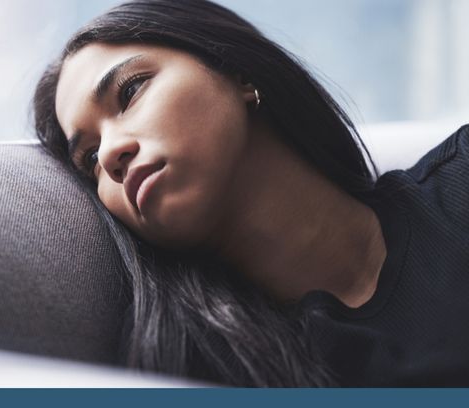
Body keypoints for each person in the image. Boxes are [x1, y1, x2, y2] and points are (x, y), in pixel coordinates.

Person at [32, 0, 469, 387]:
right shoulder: (197, 369)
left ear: (239, 72)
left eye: (130, 91)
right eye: (89, 160)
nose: (110, 154)